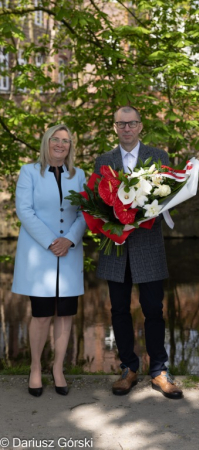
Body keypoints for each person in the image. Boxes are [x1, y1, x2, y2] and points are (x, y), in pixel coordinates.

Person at [94, 106, 183, 399]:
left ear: (140, 126)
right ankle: (128, 368)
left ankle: (158, 370)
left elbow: (168, 199)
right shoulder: (103, 161)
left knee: (154, 310)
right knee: (119, 310)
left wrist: (144, 213)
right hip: (116, 248)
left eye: (132, 123)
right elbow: (97, 204)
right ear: (115, 127)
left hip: (148, 244)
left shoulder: (159, 158)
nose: (127, 128)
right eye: (121, 124)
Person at [12, 124, 86, 397]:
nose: (60, 144)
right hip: (40, 254)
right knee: (41, 315)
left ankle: (57, 369)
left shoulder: (79, 175)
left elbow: (84, 214)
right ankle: (34, 368)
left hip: (69, 253)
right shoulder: (29, 172)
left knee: (65, 315)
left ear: (70, 147)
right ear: (46, 142)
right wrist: (52, 241)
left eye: (66, 141)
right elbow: (25, 210)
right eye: (56, 139)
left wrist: (69, 239)